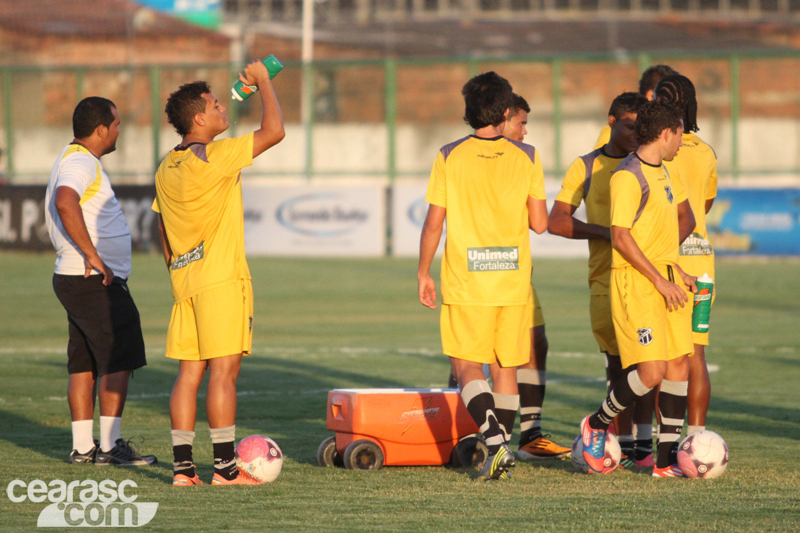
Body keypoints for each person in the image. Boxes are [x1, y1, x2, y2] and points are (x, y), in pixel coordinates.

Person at [154, 61, 285, 486]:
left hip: (185, 283)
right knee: (224, 373)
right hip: (221, 281)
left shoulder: (165, 167)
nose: (222, 108)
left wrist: (178, 265)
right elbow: (274, 131)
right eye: (214, 105)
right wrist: (264, 83)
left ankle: (182, 470)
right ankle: (227, 470)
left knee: (189, 374)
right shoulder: (214, 155)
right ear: (198, 118)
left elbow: (162, 228)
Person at [418, 72, 548, 480]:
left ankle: (494, 443)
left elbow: (434, 223)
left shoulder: (449, 154)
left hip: (467, 278)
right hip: (512, 279)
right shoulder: (527, 155)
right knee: (505, 367)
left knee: (467, 367)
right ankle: (501, 453)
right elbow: (540, 223)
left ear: (469, 111)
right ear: (507, 111)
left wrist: (423, 272)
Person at [579, 100, 698, 478]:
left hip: (667, 279)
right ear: (666, 133)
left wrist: (676, 270)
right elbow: (621, 237)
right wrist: (659, 279)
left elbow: (659, 235)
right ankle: (597, 423)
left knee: (680, 364)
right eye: (680, 134)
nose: (683, 141)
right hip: (637, 284)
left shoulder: (666, 171)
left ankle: (664, 462)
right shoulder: (627, 177)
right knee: (651, 371)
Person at [550, 92, 661, 468]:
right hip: (604, 279)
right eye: (630, 124)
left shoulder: (646, 166)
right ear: (611, 122)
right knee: (617, 364)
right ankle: (624, 440)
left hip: (645, 280)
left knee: (648, 363)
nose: (637, 132)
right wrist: (607, 233)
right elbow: (557, 220)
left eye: (642, 125)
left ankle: (643, 445)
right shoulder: (586, 166)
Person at [45, 96, 155, 466]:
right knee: (117, 357)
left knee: (85, 362)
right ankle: (109, 446)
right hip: (92, 279)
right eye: (117, 124)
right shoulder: (80, 161)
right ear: (100, 129)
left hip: (75, 278)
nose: (120, 130)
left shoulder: (71, 157)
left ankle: (82, 447)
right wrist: (93, 255)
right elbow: (65, 201)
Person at [504, 94, 570, 461]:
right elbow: (541, 222)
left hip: (517, 271)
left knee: (535, 342)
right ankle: (464, 431)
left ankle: (530, 434)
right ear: (503, 119)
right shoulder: (467, 156)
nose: (525, 131)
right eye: (521, 123)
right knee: (471, 355)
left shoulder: (524, 157)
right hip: (479, 272)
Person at [655, 74, 718, 437]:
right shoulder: (706, 151)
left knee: (664, 356)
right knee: (696, 354)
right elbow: (704, 205)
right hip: (703, 261)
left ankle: (659, 440)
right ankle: (696, 437)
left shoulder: (660, 147)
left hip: (668, 262)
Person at [594, 65, 679, 148]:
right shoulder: (614, 133)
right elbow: (600, 160)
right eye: (669, 98)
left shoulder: (673, 133)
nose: (674, 106)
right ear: (651, 95)